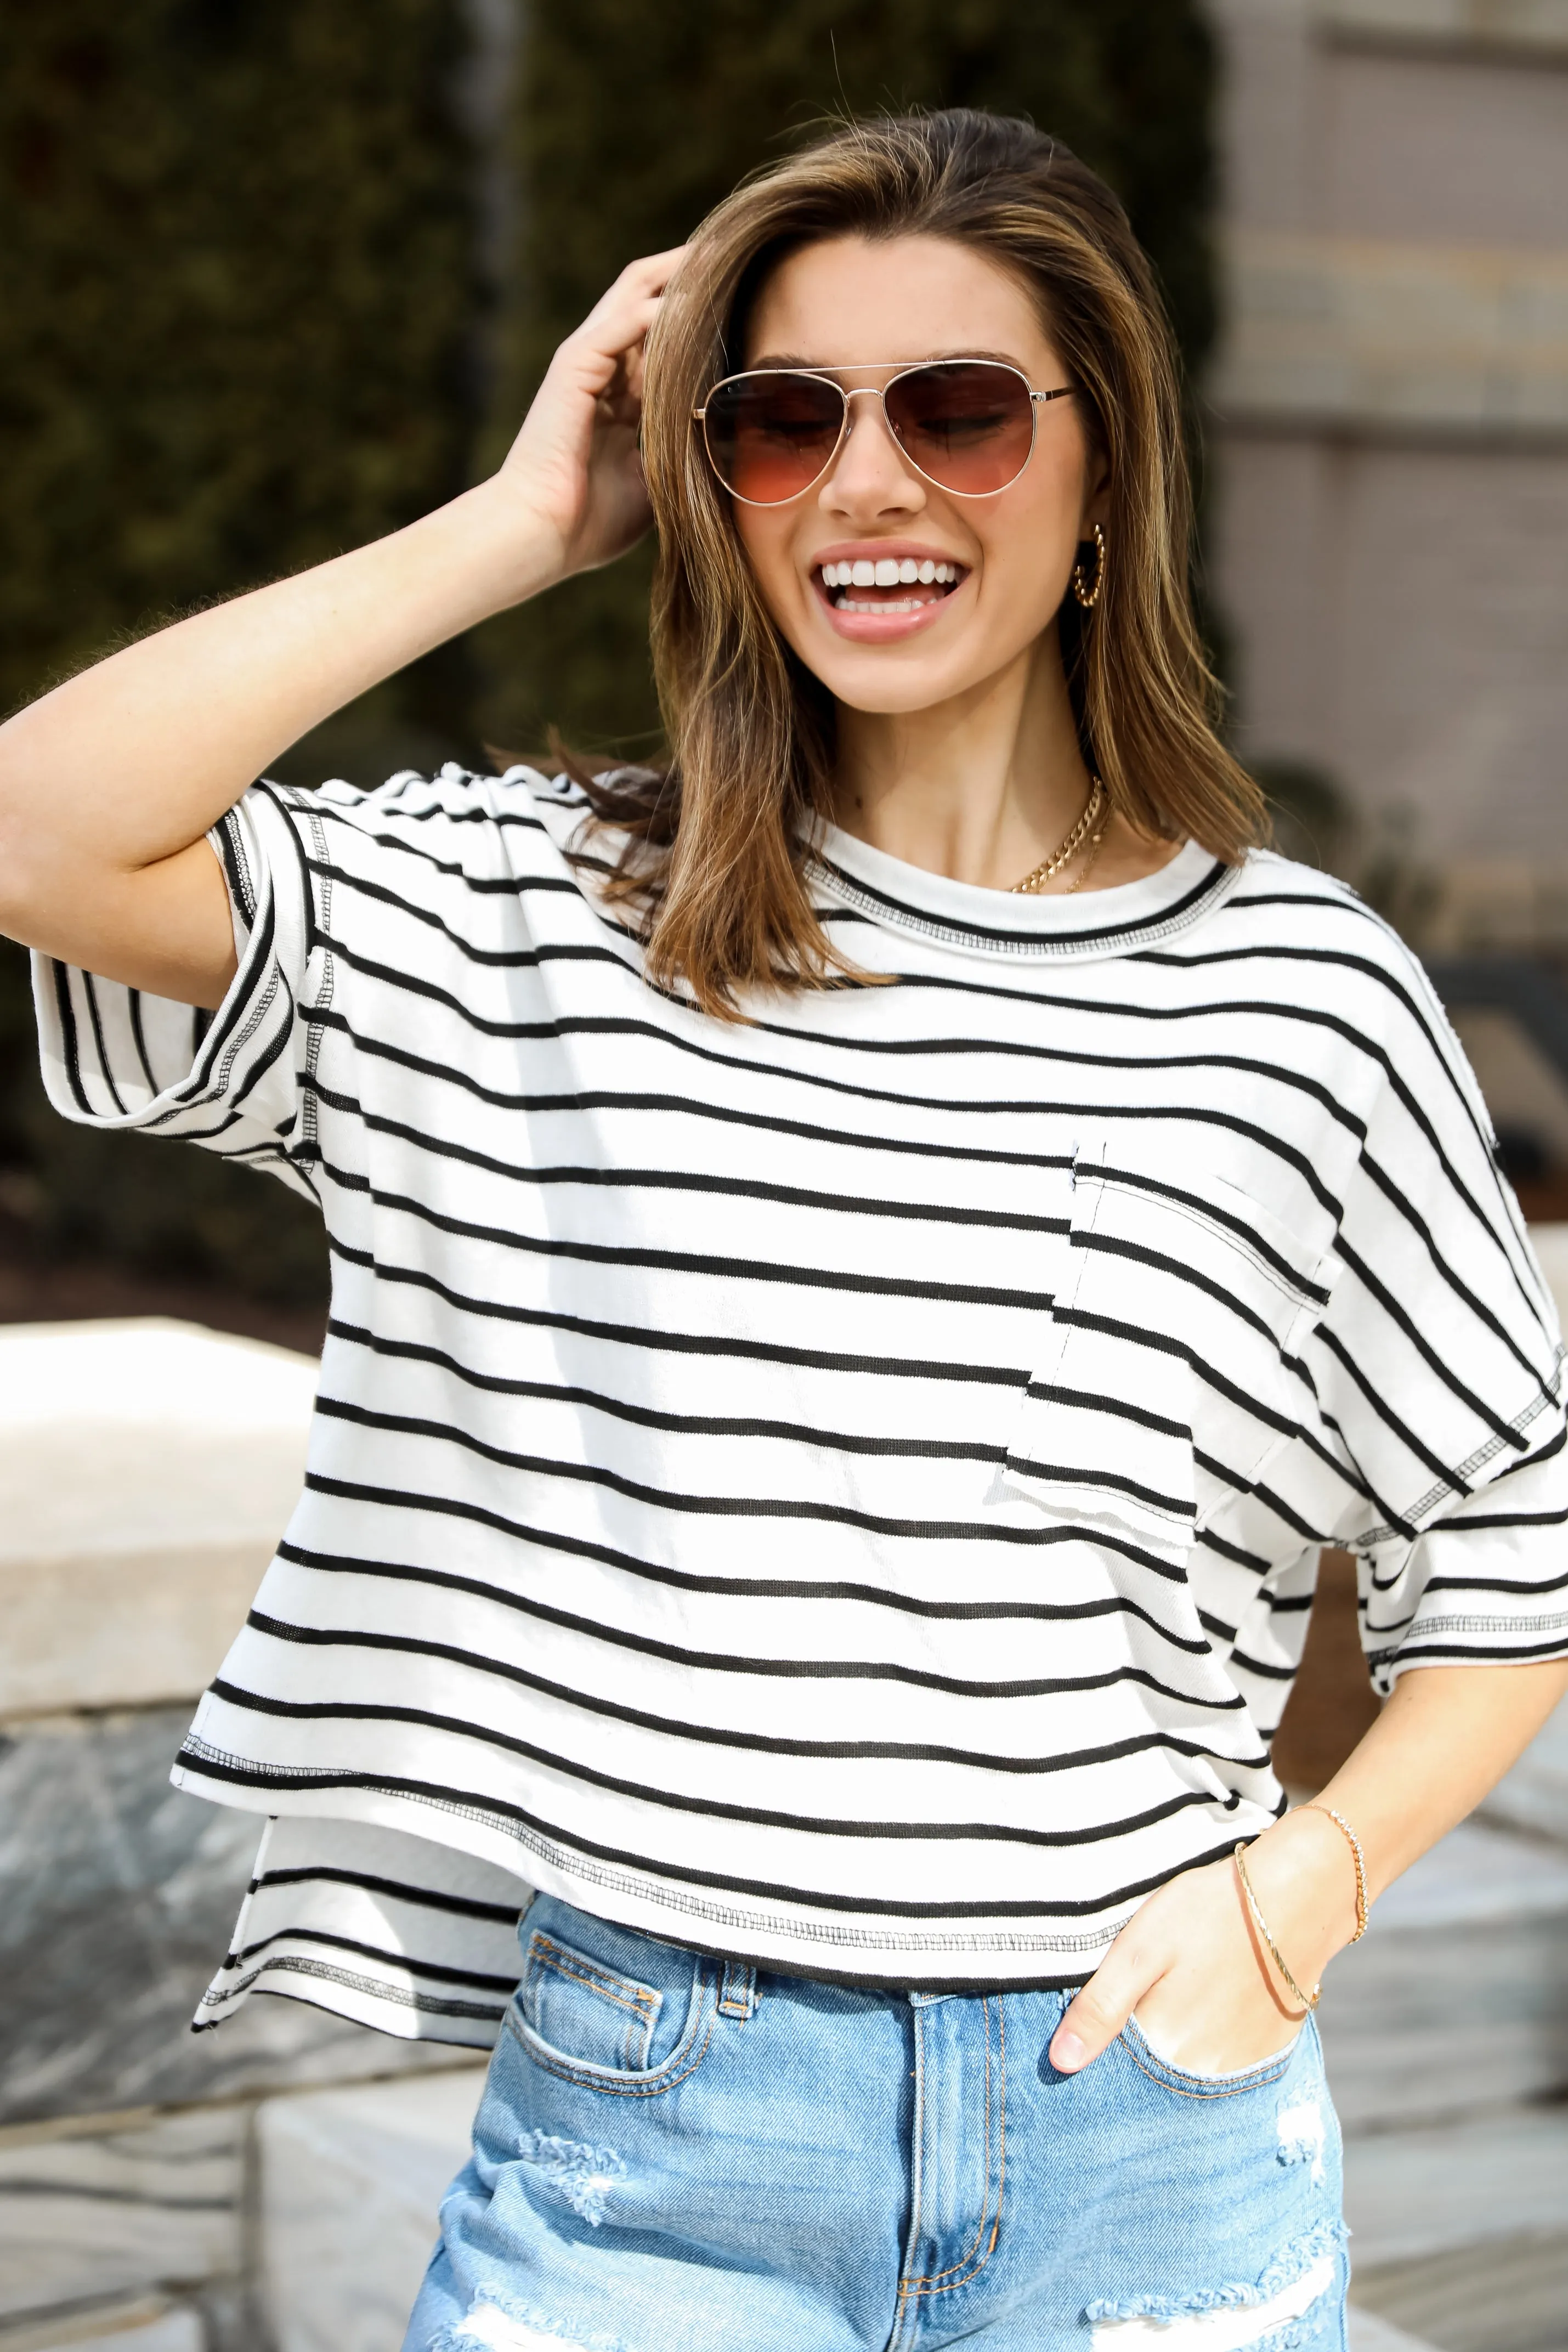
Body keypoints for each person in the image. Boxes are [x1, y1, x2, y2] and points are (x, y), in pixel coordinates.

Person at [1, 107, 1564, 2352]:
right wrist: (520, 519)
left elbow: (1514, 1543)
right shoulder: (546, 916)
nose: (866, 485)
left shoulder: (1297, 996)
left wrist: (1306, 1889)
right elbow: (41, 829)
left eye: (955, 410)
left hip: (1147, 2119)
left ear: (1109, 465)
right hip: (658, 2146)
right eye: (778, 420)